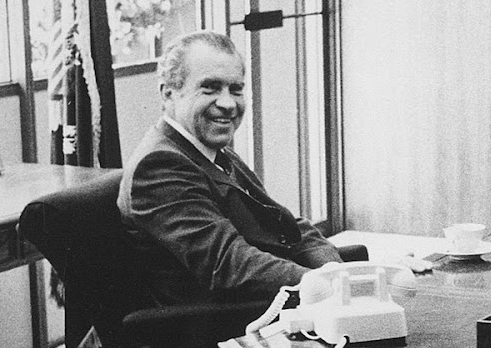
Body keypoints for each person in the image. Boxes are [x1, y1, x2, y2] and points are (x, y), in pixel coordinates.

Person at [121, 30, 343, 308]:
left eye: (236, 89)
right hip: (222, 328)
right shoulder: (159, 166)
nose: (228, 104)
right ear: (169, 93)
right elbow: (229, 264)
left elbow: (284, 223)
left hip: (269, 304)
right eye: (210, 88)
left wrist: (335, 270)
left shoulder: (210, 149)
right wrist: (326, 287)